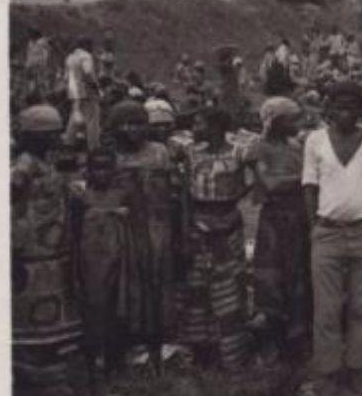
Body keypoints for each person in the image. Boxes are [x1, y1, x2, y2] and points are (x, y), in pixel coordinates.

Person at [301, 80, 362, 396]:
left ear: (361, 110)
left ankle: (358, 368)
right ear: (329, 110)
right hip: (328, 231)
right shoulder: (315, 140)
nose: (345, 113)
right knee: (326, 307)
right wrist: (315, 227)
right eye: (339, 107)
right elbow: (309, 187)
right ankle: (327, 372)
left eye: (352, 107)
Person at [12, 104, 85, 389]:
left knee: (52, 305)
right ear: (33, 137)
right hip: (30, 251)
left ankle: (49, 365)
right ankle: (33, 368)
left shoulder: (47, 162)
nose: (57, 139)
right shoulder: (24, 166)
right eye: (50, 135)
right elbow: (12, 204)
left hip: (52, 249)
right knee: (33, 309)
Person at [176, 105, 255, 370]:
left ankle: (232, 358)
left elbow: (259, 173)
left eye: (199, 123)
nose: (194, 128)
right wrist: (189, 230)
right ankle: (202, 355)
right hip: (198, 230)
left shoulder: (238, 152)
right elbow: (187, 194)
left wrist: (237, 195)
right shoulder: (190, 152)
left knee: (228, 290)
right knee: (197, 292)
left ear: (216, 127)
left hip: (228, 229)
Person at [109, 99, 177, 362]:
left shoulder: (160, 152)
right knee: (129, 282)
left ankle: (160, 339)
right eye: (125, 124)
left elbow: (174, 193)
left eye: (138, 123)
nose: (132, 129)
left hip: (159, 226)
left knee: (160, 278)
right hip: (124, 231)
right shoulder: (111, 157)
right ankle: (131, 341)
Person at [249, 97, 313, 364]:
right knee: (271, 279)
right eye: (292, 118)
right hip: (275, 221)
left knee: (299, 278)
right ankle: (271, 343)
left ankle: (296, 343)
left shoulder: (297, 146)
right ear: (275, 122)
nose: (298, 123)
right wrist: (307, 177)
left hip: (298, 218)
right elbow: (271, 184)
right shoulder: (259, 148)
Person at [68, 147, 138, 379]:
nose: (102, 173)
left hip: (118, 259)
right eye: (97, 168)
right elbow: (75, 233)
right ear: (89, 171)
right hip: (91, 262)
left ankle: (115, 359)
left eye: (107, 167)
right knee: (93, 308)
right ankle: (93, 360)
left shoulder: (122, 195)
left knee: (117, 309)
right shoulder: (81, 198)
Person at [63, 36, 101, 152]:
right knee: (92, 118)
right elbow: (88, 72)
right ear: (86, 45)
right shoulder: (86, 56)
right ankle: (93, 146)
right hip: (87, 90)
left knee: (74, 116)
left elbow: (66, 77)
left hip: (74, 91)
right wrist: (95, 86)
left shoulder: (70, 58)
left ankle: (69, 142)